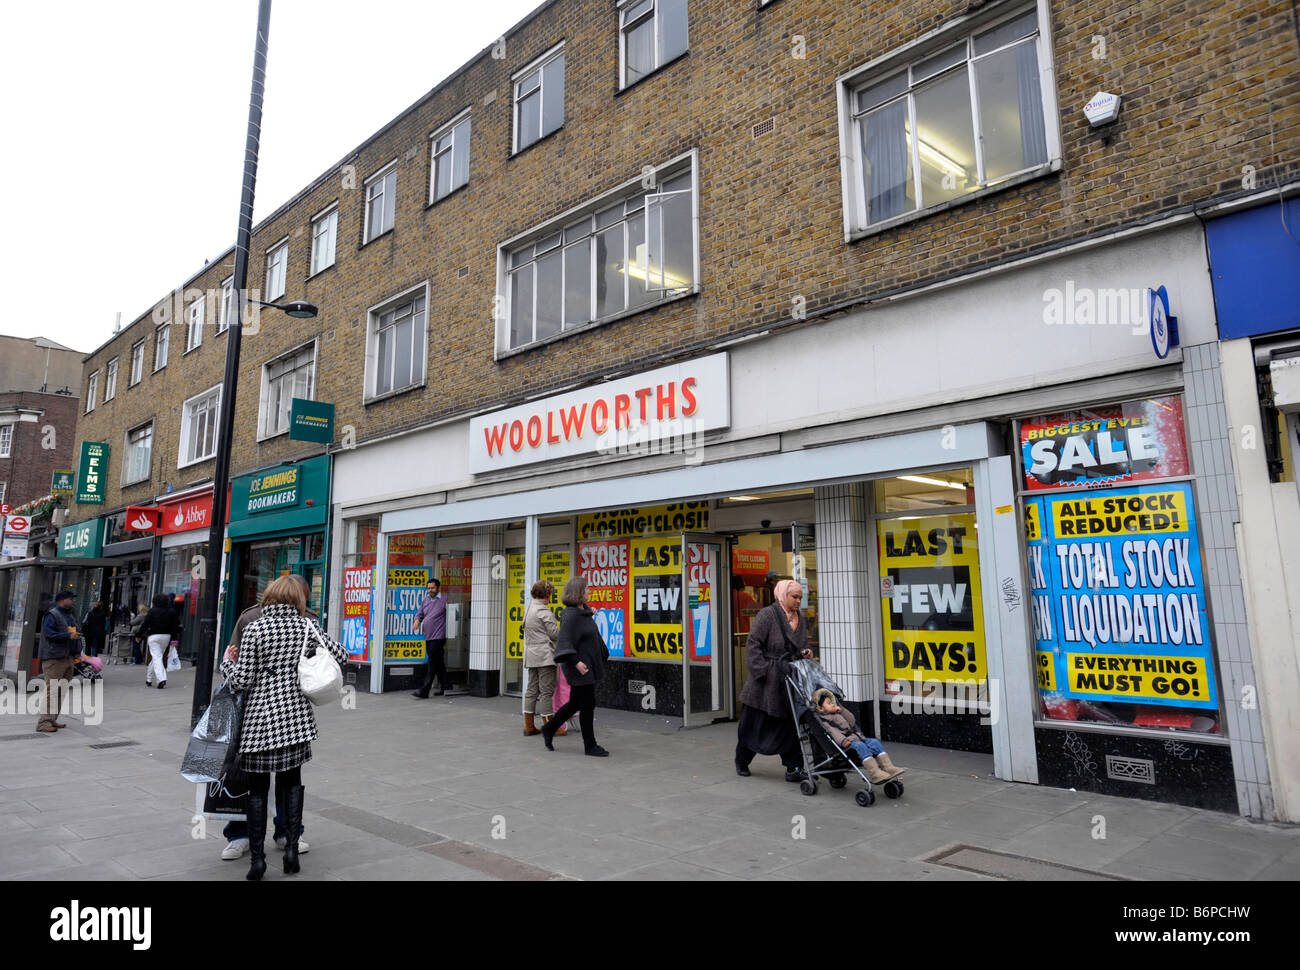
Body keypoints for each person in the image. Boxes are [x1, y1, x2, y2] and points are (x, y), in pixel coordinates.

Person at [220, 575, 346, 880]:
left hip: (259, 723)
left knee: (257, 790)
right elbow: (341, 655)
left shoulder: (255, 629)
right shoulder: (307, 627)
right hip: (296, 722)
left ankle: (258, 862)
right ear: (299, 599)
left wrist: (227, 662)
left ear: (271, 596)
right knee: (292, 783)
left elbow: (241, 681)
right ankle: (291, 850)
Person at [735, 579, 814, 780]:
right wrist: (762, 672)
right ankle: (742, 760)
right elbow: (753, 644)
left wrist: (804, 653)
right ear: (783, 595)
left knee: (789, 726)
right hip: (764, 683)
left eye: (800, 597)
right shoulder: (767, 615)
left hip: (788, 680)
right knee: (753, 725)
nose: (798, 601)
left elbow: (800, 645)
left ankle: (794, 767)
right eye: (794, 597)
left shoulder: (800, 619)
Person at [541, 577, 610, 757]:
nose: (589, 590)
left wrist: (590, 613)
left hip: (588, 666)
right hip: (579, 666)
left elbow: (587, 630)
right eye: (586, 588)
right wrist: (576, 662)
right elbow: (564, 643)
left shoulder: (583, 611)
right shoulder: (571, 615)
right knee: (588, 704)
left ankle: (549, 729)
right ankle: (590, 745)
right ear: (578, 592)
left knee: (575, 704)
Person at [811, 688, 905, 783]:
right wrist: (844, 741)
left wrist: (842, 710)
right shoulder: (825, 720)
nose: (832, 704)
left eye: (832, 702)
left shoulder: (837, 713)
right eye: (829, 703)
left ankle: (888, 768)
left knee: (874, 742)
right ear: (821, 708)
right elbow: (833, 732)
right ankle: (875, 773)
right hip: (847, 742)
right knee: (861, 746)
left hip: (857, 737)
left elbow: (852, 721)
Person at [36, 591, 81, 733]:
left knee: (61, 690)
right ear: (62, 600)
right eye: (71, 598)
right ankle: (43, 723)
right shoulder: (52, 614)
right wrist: (68, 636)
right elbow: (49, 634)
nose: (73, 601)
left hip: (67, 657)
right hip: (54, 658)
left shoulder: (70, 615)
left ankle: (52, 718)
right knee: (53, 690)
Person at [522, 580, 561, 737]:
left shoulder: (529, 609)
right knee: (546, 692)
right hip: (545, 656)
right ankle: (550, 727)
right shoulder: (544, 611)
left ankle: (529, 726)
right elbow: (555, 634)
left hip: (531, 654)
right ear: (547, 595)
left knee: (532, 690)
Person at [413, 578, 447, 698]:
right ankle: (446, 686)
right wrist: (416, 621)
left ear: (438, 588)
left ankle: (424, 690)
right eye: (428, 588)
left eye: (432, 588)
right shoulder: (426, 600)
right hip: (428, 637)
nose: (430, 590)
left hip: (439, 636)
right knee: (438, 663)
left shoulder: (444, 600)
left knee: (432, 662)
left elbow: (454, 613)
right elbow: (420, 614)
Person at [139, 593, 179, 689]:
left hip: (154, 637)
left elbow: (145, 624)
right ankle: (149, 678)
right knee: (157, 657)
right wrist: (174, 640)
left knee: (156, 657)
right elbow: (175, 627)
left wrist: (138, 635)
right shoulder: (171, 612)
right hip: (166, 636)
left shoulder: (152, 611)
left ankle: (161, 679)